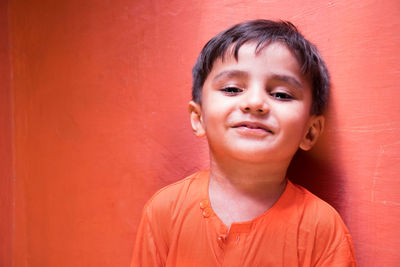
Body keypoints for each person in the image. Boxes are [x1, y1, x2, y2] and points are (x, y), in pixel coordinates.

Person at [131, 19, 357, 266]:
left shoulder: (321, 229)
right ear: (198, 119)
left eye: (281, 94)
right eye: (231, 89)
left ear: (310, 132)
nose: (254, 102)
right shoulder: (165, 211)